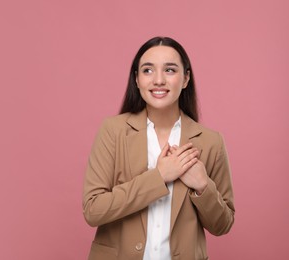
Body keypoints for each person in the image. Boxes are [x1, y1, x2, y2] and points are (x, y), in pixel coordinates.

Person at [82, 36, 235, 260]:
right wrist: (159, 177)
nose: (159, 80)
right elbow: (93, 210)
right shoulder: (113, 131)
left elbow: (222, 225)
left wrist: (203, 187)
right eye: (147, 70)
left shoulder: (211, 142)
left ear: (185, 79)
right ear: (136, 79)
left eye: (170, 70)